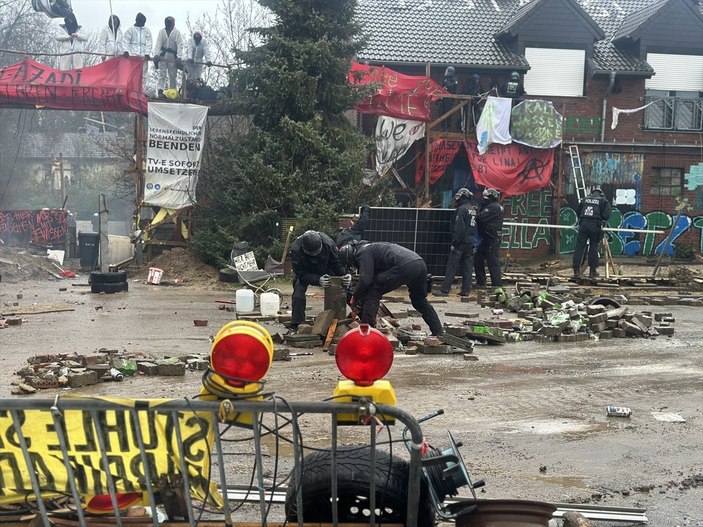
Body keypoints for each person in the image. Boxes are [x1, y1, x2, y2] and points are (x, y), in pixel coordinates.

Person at [339, 241, 443, 336]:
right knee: (419, 301)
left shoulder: (363, 252)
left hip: (404, 266)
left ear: (352, 257)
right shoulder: (373, 247)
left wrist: (355, 296)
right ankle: (438, 332)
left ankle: (367, 333)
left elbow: (366, 280)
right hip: (419, 264)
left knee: (373, 293)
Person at [289, 230, 351, 331]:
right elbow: (300, 273)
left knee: (342, 286)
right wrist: (318, 279)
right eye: (311, 254)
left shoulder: (329, 244)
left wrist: (345, 275)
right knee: (298, 293)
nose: (314, 257)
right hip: (306, 272)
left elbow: (336, 263)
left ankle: (351, 316)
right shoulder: (296, 249)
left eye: (316, 253)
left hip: (325, 268)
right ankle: (297, 324)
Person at [435, 188, 477, 297]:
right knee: (467, 268)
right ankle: (466, 291)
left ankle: (445, 290)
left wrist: (455, 242)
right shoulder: (473, 210)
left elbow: (459, 228)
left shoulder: (461, 209)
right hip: (470, 242)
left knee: (452, 266)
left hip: (460, 243)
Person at [573, 187, 612, 279]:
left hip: (583, 224)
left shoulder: (585, 199)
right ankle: (592, 271)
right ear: (601, 193)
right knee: (593, 247)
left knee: (579, 247)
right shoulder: (603, 201)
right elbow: (606, 215)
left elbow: (577, 211)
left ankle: (576, 270)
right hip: (595, 225)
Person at [474, 188, 504, 288]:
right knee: (478, 257)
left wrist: (476, 212)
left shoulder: (493, 207)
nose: (484, 199)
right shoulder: (495, 206)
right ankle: (481, 282)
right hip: (487, 238)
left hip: (492, 238)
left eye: (486, 198)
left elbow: (480, 217)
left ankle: (497, 285)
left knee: (492, 261)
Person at [153, 16, 185, 98]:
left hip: (172, 57)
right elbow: (158, 43)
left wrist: (179, 56)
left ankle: (172, 92)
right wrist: (156, 54)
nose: (168, 23)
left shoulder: (177, 32)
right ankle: (160, 91)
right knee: (162, 74)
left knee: (172, 75)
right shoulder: (161, 32)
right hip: (163, 56)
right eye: (166, 22)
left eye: (169, 22)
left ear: (173, 23)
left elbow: (179, 45)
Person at [122, 13, 153, 91]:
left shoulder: (147, 30)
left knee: (144, 75)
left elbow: (149, 42)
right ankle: (132, 90)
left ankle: (142, 91)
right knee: (132, 74)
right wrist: (125, 51)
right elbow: (125, 41)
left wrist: (147, 53)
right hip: (133, 56)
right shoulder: (131, 29)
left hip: (143, 57)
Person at [440, 66, 458, 131]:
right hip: (443, 99)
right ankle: (442, 127)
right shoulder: (445, 79)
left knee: (448, 113)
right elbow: (442, 88)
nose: (446, 73)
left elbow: (450, 86)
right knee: (441, 113)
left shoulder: (454, 79)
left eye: (447, 71)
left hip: (449, 99)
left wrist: (446, 83)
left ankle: (448, 127)